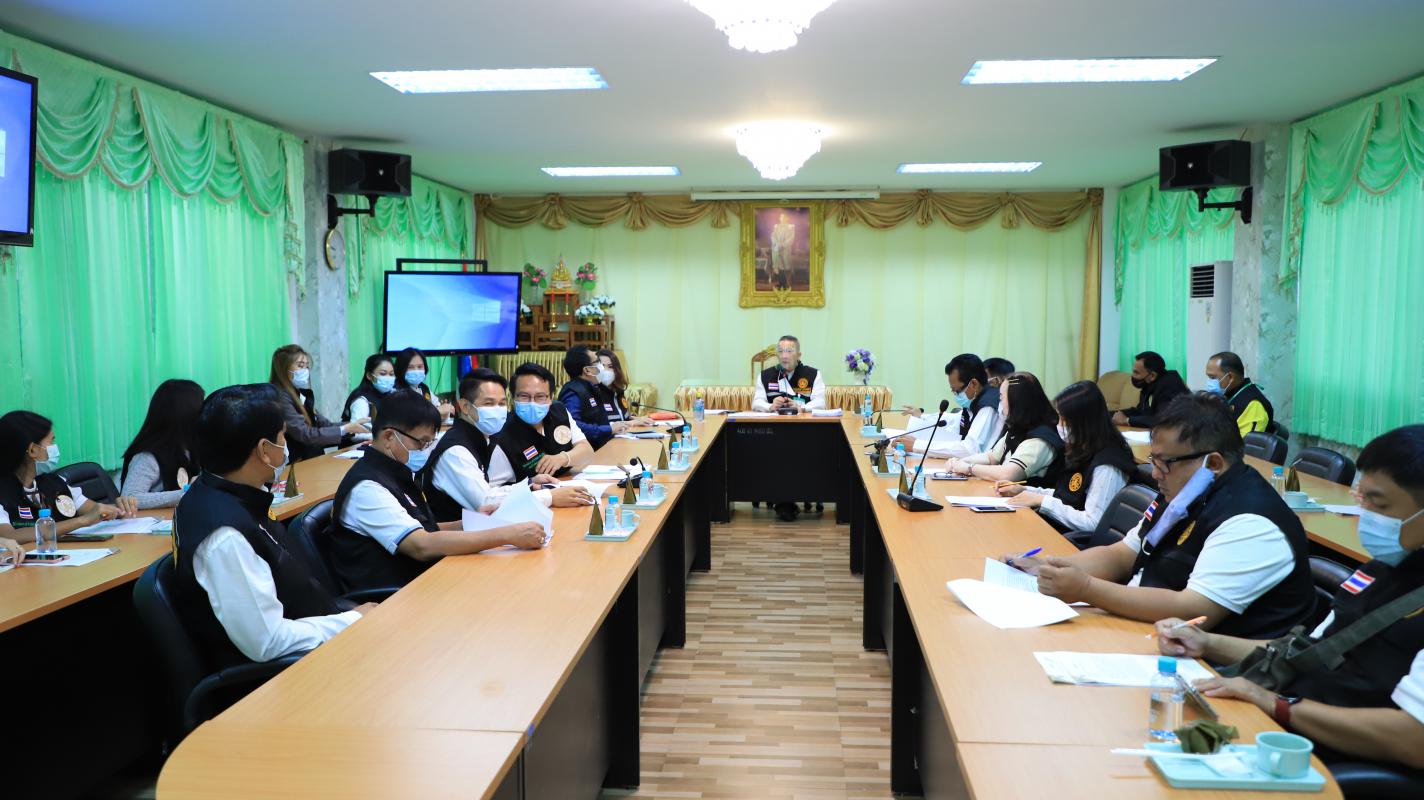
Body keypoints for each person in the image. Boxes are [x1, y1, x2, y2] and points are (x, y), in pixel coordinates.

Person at [1156, 425, 1424, 771]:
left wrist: (1276, 704)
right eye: (1363, 498)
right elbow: (1307, 651)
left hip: (1324, 762)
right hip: (1282, 731)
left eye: (1379, 503)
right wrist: (1206, 642)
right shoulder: (1382, 569)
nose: (1365, 514)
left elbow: (1414, 738)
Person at [1014, 393, 1316, 637]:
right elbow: (1124, 554)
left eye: (1164, 463)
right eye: (1153, 460)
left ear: (1213, 463)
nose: (1154, 474)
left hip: (1208, 667)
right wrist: (1050, 567)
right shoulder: (1184, 492)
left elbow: (1192, 609)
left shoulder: (1250, 520)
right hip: (1143, 627)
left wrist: (1086, 588)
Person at [173, 384, 370, 666]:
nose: (286, 446)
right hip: (290, 672)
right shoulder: (226, 537)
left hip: (318, 632)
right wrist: (352, 622)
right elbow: (267, 642)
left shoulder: (224, 492)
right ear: (264, 450)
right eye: (283, 437)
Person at [329, 389, 546, 593]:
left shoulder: (395, 470)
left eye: (429, 443)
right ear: (388, 437)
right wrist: (507, 535)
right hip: (395, 597)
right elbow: (420, 545)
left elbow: (424, 527)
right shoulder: (368, 488)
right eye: (421, 443)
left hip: (424, 579)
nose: (425, 450)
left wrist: (473, 522)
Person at [422, 368, 594, 522]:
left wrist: (528, 484)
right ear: (465, 406)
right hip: (457, 542)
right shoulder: (456, 451)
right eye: (488, 403)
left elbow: (489, 491)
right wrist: (550, 496)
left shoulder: (480, 437)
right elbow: (487, 503)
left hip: (483, 531)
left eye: (501, 403)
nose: (497, 410)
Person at [997, 381, 1137, 533]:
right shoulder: (1084, 449)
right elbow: (1067, 496)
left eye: (1063, 419)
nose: (1059, 424)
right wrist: (1025, 491)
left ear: (1082, 422)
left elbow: (1093, 523)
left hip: (1076, 542)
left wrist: (1042, 501)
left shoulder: (1108, 465)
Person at [0, 410, 137, 539]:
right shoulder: (3, 491)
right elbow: (9, 536)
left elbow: (95, 510)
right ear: (32, 450)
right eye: (51, 441)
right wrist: (82, 521)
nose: (55, 446)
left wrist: (119, 508)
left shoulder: (54, 482)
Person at [946, 372, 1064, 487]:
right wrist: (960, 462)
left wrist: (969, 468)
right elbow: (992, 457)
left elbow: (1007, 474)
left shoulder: (1040, 439)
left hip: (1028, 500)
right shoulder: (1019, 428)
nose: (999, 403)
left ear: (1016, 401)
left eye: (1002, 397)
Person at [495, 362, 595, 481]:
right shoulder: (502, 435)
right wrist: (530, 483)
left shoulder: (559, 411)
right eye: (524, 396)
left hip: (568, 482)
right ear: (512, 398)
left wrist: (563, 458)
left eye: (540, 396)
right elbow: (497, 487)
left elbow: (587, 451)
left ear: (551, 398)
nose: (532, 403)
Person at [270, 344, 367, 461]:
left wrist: (353, 425)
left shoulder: (301, 395)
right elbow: (304, 434)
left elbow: (326, 425)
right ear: (283, 369)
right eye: (300, 366)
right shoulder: (281, 397)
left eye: (307, 366)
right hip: (295, 462)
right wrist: (345, 429)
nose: (305, 371)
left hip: (311, 458)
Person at [120, 379, 205, 509]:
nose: (205, 413)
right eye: (201, 407)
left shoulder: (190, 447)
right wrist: (187, 492)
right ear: (186, 413)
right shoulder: (147, 456)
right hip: (155, 521)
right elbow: (130, 497)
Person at [900, 354, 1003, 459]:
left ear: (974, 384)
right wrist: (921, 417)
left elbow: (970, 449)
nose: (956, 395)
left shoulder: (987, 407)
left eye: (957, 391)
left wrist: (917, 445)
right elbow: (952, 420)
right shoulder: (975, 402)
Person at [559, 345, 643, 449]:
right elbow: (573, 426)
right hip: (587, 453)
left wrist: (626, 423)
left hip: (605, 447)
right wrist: (609, 429)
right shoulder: (573, 392)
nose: (602, 367)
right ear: (587, 370)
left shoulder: (592, 389)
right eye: (597, 362)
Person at [1204, 351, 1274, 437]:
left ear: (1230, 377)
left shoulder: (1253, 404)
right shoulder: (1226, 395)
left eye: (1212, 377)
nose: (1209, 382)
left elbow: (1244, 444)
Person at [1112, 350, 1189, 428]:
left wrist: (1127, 420)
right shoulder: (1149, 385)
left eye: (1136, 372)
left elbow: (1164, 419)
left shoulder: (1170, 385)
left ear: (1152, 375)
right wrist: (1113, 414)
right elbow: (1142, 411)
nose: (1133, 376)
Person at [752, 335, 825, 413]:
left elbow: (820, 403)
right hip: (774, 420)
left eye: (789, 351)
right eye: (780, 351)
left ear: (798, 355)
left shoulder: (813, 374)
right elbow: (756, 403)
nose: (784, 356)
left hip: (802, 419)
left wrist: (801, 408)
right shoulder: (765, 376)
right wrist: (770, 406)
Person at [394, 347, 456, 419]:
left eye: (420, 367)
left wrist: (444, 411)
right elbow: (410, 417)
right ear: (401, 369)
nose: (416, 371)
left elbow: (437, 407)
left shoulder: (424, 389)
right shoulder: (396, 392)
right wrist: (436, 412)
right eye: (410, 367)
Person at [596, 348, 654, 425]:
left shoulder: (618, 391)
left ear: (617, 369)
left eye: (610, 367)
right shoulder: (594, 393)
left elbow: (622, 417)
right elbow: (599, 426)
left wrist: (636, 419)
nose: (606, 371)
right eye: (602, 367)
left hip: (626, 432)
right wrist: (631, 423)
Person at [342, 353, 398, 432]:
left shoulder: (393, 395)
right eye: (383, 374)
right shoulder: (362, 400)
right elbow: (357, 433)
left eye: (391, 374)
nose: (388, 378)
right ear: (369, 376)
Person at [770, 212, 796, 290]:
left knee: (784, 267)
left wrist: (782, 244)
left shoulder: (790, 227)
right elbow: (772, 236)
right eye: (781, 217)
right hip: (776, 249)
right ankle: (780, 283)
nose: (782, 218)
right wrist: (777, 243)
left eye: (784, 217)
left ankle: (785, 284)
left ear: (787, 218)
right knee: (778, 267)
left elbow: (791, 238)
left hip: (785, 249)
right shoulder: (776, 227)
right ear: (779, 218)